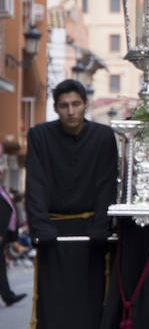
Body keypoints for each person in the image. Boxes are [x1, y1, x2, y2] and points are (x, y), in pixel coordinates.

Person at [25, 79, 118, 329]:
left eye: (76, 104)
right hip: (54, 235)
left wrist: (102, 224)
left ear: (85, 105)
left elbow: (107, 183)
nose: (71, 111)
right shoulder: (39, 136)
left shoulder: (103, 137)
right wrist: (41, 226)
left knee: (91, 304)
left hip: (91, 236)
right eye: (64, 105)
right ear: (56, 108)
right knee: (53, 305)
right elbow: (35, 183)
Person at [0, 167, 26, 307]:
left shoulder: (2, 189)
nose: (1, 175)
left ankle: (7, 295)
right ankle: (7, 295)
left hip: (4, 234)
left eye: (2, 173)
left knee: (1, 265)